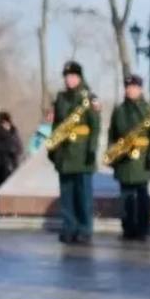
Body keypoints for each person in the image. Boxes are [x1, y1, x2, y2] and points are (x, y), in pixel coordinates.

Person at [48, 60, 100, 245]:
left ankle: (84, 229)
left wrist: (92, 149)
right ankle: (69, 227)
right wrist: (53, 148)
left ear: (79, 77)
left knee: (83, 196)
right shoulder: (61, 98)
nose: (69, 80)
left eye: (72, 76)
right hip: (64, 154)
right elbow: (56, 126)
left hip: (82, 153)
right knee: (67, 196)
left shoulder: (88, 98)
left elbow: (95, 126)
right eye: (67, 76)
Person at [108, 73, 150, 242]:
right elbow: (112, 135)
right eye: (128, 87)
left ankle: (142, 229)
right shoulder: (119, 111)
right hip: (123, 159)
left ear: (140, 89)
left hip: (142, 158)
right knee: (125, 197)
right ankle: (127, 229)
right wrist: (112, 155)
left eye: (134, 87)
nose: (130, 90)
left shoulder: (147, 110)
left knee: (142, 197)